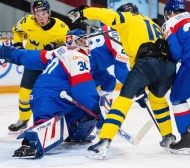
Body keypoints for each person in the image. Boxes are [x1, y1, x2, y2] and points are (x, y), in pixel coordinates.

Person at [68, 2, 176, 159]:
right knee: (158, 100)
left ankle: (104, 140)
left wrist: (84, 13)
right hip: (167, 67)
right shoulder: (152, 23)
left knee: (122, 101)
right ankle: (168, 136)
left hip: (146, 64)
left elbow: (107, 14)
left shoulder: (127, 18)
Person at [0, 29, 101, 158]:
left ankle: (74, 133)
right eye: (83, 39)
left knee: (84, 115)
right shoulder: (78, 56)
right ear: (74, 40)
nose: (86, 42)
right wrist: (96, 108)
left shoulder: (58, 52)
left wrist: (11, 53)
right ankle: (29, 144)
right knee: (47, 119)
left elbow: (30, 57)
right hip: (50, 96)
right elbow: (83, 88)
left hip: (55, 96)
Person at [8, 0, 69, 134]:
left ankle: (60, 121)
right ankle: (23, 121)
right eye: (37, 14)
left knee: (50, 95)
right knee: (24, 94)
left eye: (43, 14)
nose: (40, 17)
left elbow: (70, 46)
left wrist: (56, 48)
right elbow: (16, 30)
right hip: (32, 63)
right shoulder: (27, 21)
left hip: (51, 66)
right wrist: (18, 46)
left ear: (49, 13)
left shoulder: (61, 28)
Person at [162, 0, 190, 154]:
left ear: (170, 12)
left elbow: (176, 52)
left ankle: (187, 141)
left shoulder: (170, 23)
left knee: (177, 98)